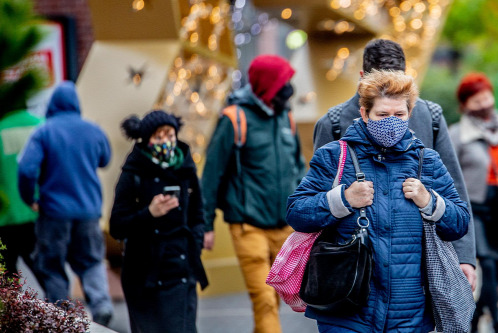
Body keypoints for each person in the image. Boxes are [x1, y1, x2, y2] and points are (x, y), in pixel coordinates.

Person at [287, 70, 470, 332]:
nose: (391, 122)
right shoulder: (334, 156)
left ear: (410, 113)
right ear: (364, 114)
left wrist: (429, 201)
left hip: (408, 312)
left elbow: (460, 222)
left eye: (399, 115)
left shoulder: (426, 161)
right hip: (345, 304)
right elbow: (296, 213)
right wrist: (343, 198)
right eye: (382, 115)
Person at [312, 39, 477, 289]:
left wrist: (464, 257)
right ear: (361, 80)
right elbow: (314, 198)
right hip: (353, 262)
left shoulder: (429, 116)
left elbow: (454, 188)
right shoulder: (333, 123)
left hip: (415, 261)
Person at [201, 54, 305, 333]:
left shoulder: (287, 117)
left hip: (285, 227)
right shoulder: (234, 119)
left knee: (275, 298)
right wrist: (206, 224)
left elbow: (298, 166)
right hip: (248, 227)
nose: (289, 88)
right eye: (283, 82)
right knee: (264, 300)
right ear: (268, 85)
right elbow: (211, 176)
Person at [17, 81, 114, 325]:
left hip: (54, 213)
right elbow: (106, 159)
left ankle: (63, 316)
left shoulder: (44, 132)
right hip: (89, 211)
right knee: (91, 261)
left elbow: (27, 169)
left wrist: (31, 199)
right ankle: (101, 304)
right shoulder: (93, 130)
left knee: (52, 265)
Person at [110, 110, 208, 333]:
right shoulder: (133, 171)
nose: (166, 141)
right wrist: (149, 213)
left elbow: (198, 212)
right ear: (147, 140)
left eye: (169, 134)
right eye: (159, 136)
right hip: (144, 274)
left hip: (181, 269)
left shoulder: (185, 166)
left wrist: (195, 242)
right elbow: (117, 225)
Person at [449, 73, 498, 333]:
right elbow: (447, 170)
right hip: (472, 207)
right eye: (476, 100)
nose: (483, 103)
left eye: (486, 97)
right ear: (464, 105)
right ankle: (497, 322)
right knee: (488, 263)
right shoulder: (457, 135)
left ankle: (474, 319)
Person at [0, 108, 42, 276]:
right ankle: (58, 302)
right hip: (36, 211)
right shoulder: (40, 125)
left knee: (7, 278)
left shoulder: (1, 128)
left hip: (5, 215)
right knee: (45, 271)